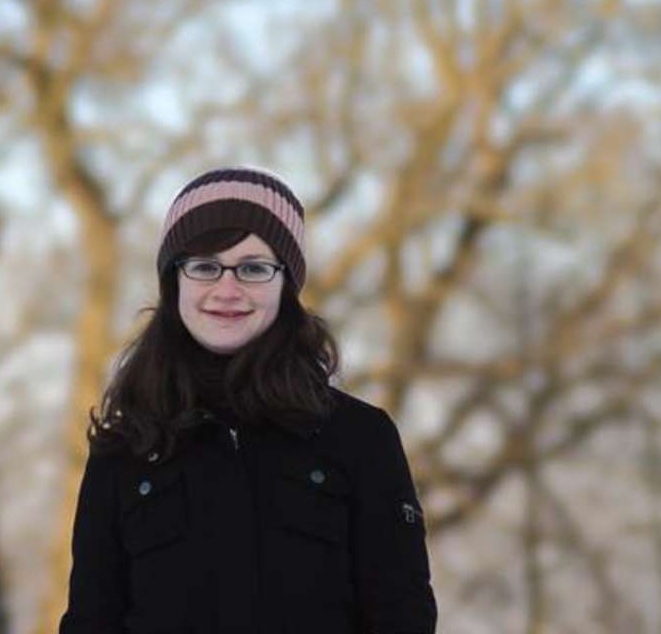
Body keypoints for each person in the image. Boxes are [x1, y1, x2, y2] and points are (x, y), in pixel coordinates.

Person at [57, 166, 438, 633]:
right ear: (175, 281)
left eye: (254, 268)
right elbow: (90, 621)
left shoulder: (360, 438)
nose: (227, 290)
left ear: (286, 285)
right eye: (204, 266)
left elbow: (403, 617)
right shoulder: (126, 446)